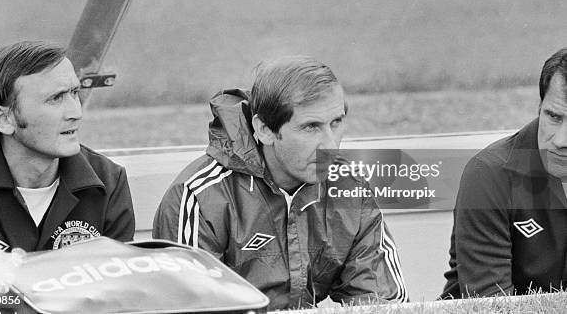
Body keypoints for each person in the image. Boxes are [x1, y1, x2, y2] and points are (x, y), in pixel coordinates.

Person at [154, 56, 408, 310]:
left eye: (336, 122)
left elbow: (383, 305)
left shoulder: (351, 188)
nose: (330, 145)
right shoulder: (200, 197)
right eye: (311, 127)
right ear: (264, 130)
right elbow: (189, 309)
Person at [0, 41, 135, 251]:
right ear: (4, 119)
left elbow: (120, 279)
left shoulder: (108, 181)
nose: (76, 113)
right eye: (55, 98)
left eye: (75, 93)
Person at [442, 48, 567, 298]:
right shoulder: (489, 175)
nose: (561, 140)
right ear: (539, 107)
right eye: (553, 117)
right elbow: (491, 305)